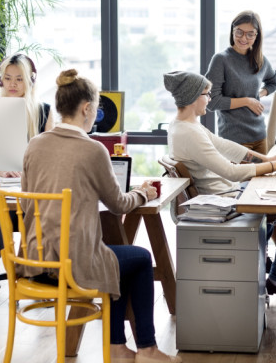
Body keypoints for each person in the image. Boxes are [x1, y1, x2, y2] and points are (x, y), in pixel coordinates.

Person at [20, 68, 180, 363]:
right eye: (95, 108)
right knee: (140, 258)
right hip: (70, 264)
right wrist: (144, 192)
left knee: (112, 256)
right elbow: (119, 203)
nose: (95, 114)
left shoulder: (34, 145)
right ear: (85, 108)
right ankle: (145, 349)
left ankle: (118, 348)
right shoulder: (93, 150)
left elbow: (28, 198)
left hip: (34, 260)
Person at [163, 70, 276, 297]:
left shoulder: (184, 125)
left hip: (228, 192)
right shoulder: (189, 132)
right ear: (194, 97)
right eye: (206, 94)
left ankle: (265, 261)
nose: (209, 99)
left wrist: (266, 159)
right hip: (225, 199)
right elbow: (232, 172)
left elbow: (225, 146)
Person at [0, 53, 55, 296]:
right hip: (0, 189)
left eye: (19, 79)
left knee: (45, 238)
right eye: (7, 78)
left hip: (33, 192)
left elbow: (52, 155)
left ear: (30, 81)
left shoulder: (43, 112)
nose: (12, 84)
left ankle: (39, 281)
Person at [205, 10, 276, 155]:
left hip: (260, 136)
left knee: (263, 178)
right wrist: (247, 101)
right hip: (234, 139)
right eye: (239, 32)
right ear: (233, 30)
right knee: (240, 178)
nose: (244, 38)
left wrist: (258, 94)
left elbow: (273, 82)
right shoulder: (221, 60)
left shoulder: (260, 60)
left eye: (250, 34)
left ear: (256, 36)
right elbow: (213, 102)